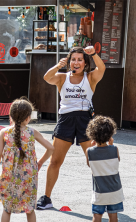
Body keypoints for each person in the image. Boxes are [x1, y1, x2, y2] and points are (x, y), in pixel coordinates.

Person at [37, 45, 106, 209]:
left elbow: (102, 68)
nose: (76, 62)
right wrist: (58, 66)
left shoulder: (90, 78)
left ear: (85, 62)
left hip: (85, 120)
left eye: (80, 60)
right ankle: (46, 198)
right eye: (73, 59)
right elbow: (46, 77)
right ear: (69, 62)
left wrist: (94, 54)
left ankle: (103, 197)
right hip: (66, 119)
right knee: (55, 161)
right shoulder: (62, 77)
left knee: (93, 161)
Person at [0, 98, 54, 222]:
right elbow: (51, 148)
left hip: (9, 176)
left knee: (7, 208)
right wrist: (40, 163)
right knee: (30, 208)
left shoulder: (4, 132)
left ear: (10, 116)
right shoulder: (32, 132)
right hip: (29, 177)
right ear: (28, 118)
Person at [82, 115, 124, 222]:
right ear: (110, 134)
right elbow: (117, 160)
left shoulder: (89, 152)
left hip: (100, 191)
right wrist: (111, 144)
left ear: (92, 135)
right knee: (113, 215)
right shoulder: (115, 149)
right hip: (115, 190)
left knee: (97, 215)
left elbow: (90, 165)